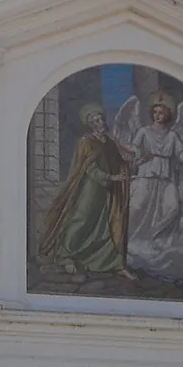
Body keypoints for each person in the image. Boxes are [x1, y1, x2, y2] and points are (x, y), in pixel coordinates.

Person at [112, 91, 183, 281]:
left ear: (167, 114)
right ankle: (128, 244)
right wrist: (119, 145)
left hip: (165, 179)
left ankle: (157, 244)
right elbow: (134, 150)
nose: (157, 115)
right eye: (155, 112)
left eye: (161, 112)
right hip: (146, 175)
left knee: (172, 207)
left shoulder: (172, 136)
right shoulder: (144, 132)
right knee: (136, 206)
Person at [37, 104, 131, 278]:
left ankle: (115, 264)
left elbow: (119, 162)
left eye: (101, 119)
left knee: (107, 227)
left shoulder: (109, 143)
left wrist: (134, 163)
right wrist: (112, 178)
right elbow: (90, 169)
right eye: (95, 121)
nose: (100, 123)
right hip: (90, 190)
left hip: (108, 192)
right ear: (90, 124)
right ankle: (66, 256)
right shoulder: (86, 141)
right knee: (81, 221)